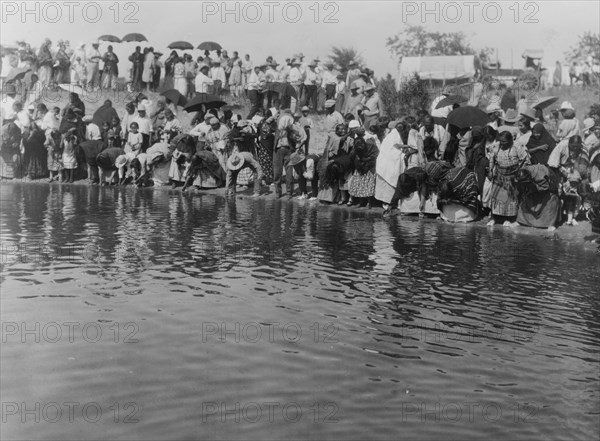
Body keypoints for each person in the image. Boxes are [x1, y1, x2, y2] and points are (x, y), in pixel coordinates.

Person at [487, 131, 531, 227]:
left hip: (512, 176)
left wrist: (520, 173)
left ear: (510, 141)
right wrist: (490, 171)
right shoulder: (495, 147)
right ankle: (494, 217)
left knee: (510, 198)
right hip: (499, 175)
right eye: (501, 141)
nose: (502, 144)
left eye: (504, 142)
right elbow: (492, 159)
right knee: (495, 197)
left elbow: (525, 160)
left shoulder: (518, 147)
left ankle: (508, 219)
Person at [515, 164, 561, 230]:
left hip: (549, 183)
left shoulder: (540, 176)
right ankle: (522, 221)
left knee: (550, 200)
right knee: (525, 197)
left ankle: (550, 224)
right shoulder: (523, 170)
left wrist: (533, 188)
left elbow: (545, 187)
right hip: (534, 182)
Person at [348, 129, 379, 208]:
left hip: (369, 167)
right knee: (359, 185)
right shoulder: (356, 147)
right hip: (360, 167)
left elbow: (375, 154)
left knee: (369, 185)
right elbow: (353, 157)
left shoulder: (370, 144)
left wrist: (367, 159)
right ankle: (361, 202)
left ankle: (369, 203)